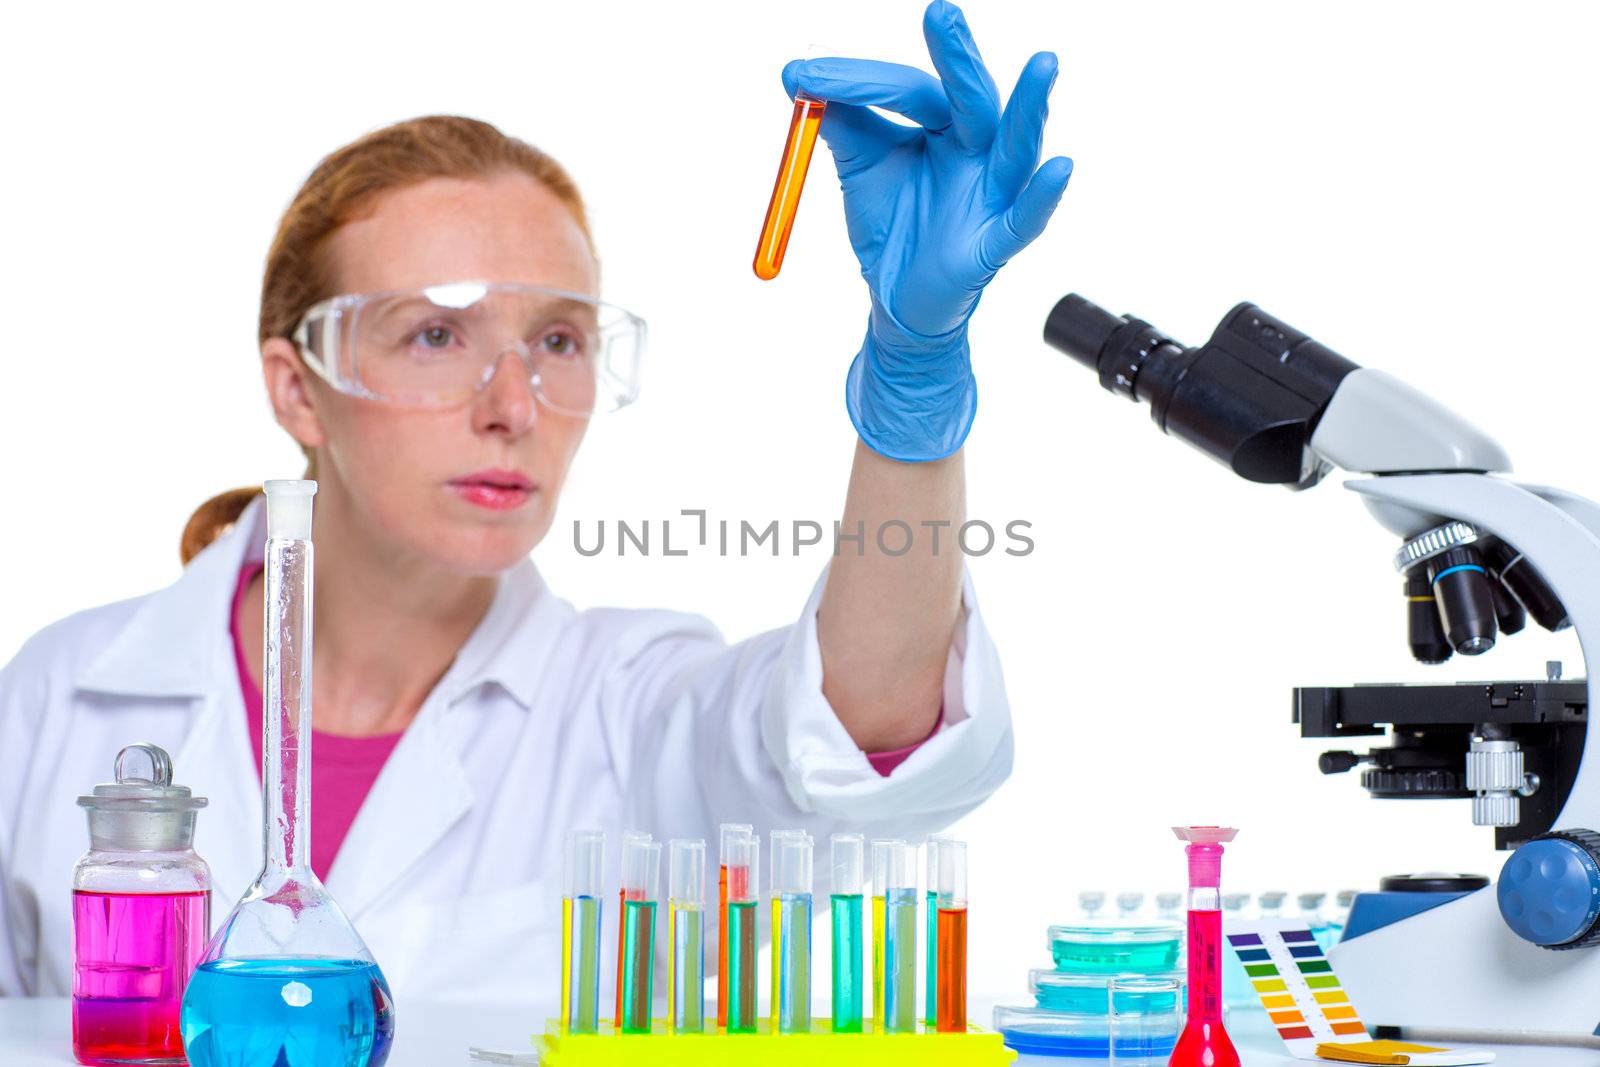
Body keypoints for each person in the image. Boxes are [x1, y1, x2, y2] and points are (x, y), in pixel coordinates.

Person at [0, 0, 1070, 1002]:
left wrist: (910, 378)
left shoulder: (625, 703)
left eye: (557, 341)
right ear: (298, 387)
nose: (514, 402)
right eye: (434, 334)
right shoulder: (57, 700)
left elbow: (859, 727)